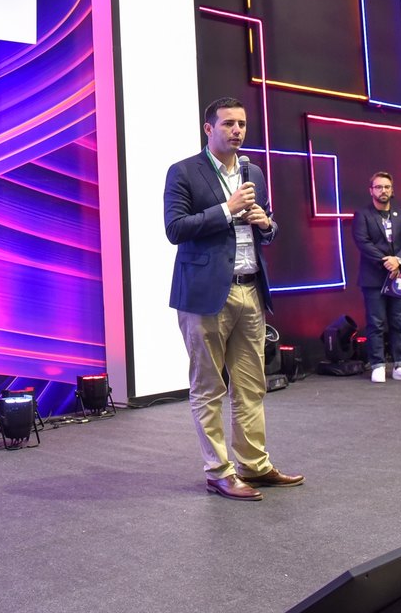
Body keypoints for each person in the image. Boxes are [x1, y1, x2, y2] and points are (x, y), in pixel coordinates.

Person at [164, 96, 303, 501]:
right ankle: (218, 471)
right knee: (209, 388)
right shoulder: (184, 171)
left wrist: (266, 223)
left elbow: (268, 227)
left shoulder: (252, 171)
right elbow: (175, 228)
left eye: (241, 123)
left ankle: (254, 465)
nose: (237, 130)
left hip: (251, 288)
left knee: (251, 386)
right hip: (205, 295)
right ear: (209, 129)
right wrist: (227, 209)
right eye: (228, 123)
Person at [352, 171, 401, 384]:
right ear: (371, 190)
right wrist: (386, 261)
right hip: (373, 277)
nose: (383, 190)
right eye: (379, 187)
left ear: (392, 190)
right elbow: (362, 242)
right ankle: (378, 365)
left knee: (399, 322)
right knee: (376, 322)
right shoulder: (363, 215)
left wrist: (398, 260)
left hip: (399, 276)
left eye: (387, 187)